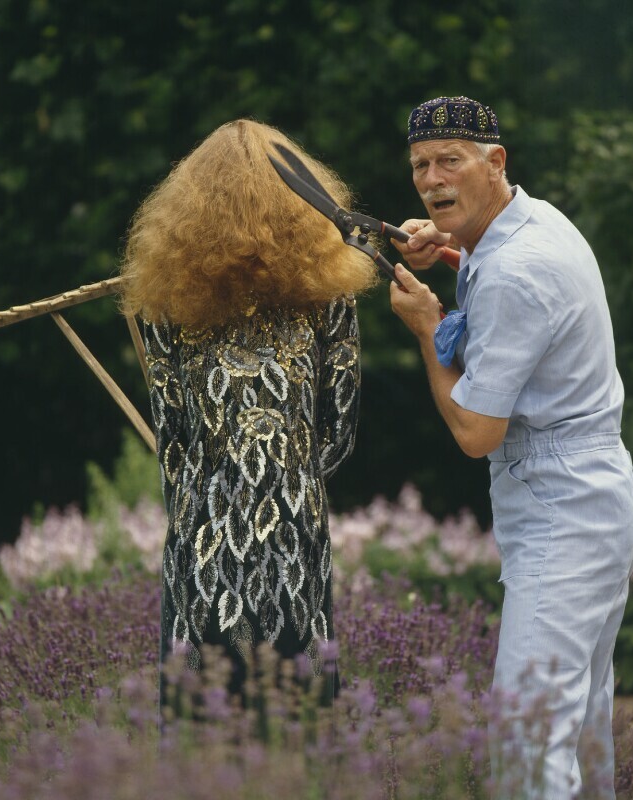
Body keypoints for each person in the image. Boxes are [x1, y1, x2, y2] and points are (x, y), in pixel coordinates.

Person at [389, 96, 633, 798]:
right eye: (420, 166)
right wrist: (445, 247)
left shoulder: (515, 272)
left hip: (564, 507)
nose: (433, 179)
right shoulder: (525, 222)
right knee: (580, 731)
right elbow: (489, 262)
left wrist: (426, 327)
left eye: (451, 161)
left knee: (527, 737)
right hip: (593, 491)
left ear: (495, 161)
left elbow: (476, 433)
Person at [119, 119, 378, 708]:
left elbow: (173, 441)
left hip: (201, 533)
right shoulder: (328, 300)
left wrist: (205, 494)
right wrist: (288, 484)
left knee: (203, 720)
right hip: (295, 529)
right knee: (298, 714)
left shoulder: (166, 308)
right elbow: (339, 431)